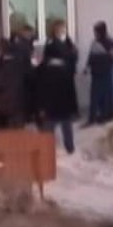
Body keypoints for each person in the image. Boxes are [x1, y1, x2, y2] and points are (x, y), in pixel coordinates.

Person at [36, 20, 78, 153]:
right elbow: (73, 62)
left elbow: (40, 87)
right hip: (63, 103)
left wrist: (41, 106)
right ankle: (69, 148)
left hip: (50, 104)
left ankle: (47, 149)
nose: (64, 31)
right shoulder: (66, 67)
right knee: (65, 124)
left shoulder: (44, 67)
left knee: (50, 126)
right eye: (62, 29)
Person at [85, 21, 113, 126]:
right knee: (94, 96)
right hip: (96, 73)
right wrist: (87, 67)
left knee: (106, 96)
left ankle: (105, 116)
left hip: (106, 72)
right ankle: (92, 117)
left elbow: (111, 58)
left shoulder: (110, 42)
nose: (95, 33)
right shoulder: (94, 43)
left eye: (96, 31)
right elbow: (90, 56)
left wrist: (101, 58)